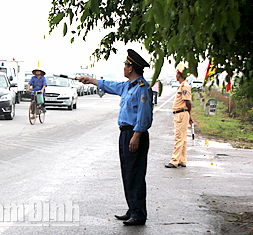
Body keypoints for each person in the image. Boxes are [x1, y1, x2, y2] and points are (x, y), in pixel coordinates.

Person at [78, 49, 153, 226]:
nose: (124, 67)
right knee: (127, 173)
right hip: (125, 133)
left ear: (131, 68)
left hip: (135, 134)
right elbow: (109, 85)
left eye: (126, 64)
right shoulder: (128, 86)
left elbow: (144, 115)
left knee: (135, 173)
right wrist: (90, 80)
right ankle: (132, 208)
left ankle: (139, 213)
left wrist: (136, 136)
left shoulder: (142, 88)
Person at [165, 64, 193, 168]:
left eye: (177, 73)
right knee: (183, 138)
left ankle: (174, 160)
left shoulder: (185, 86)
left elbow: (188, 102)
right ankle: (182, 160)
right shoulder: (182, 86)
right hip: (181, 113)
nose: (176, 75)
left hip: (181, 113)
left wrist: (189, 114)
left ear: (179, 75)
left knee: (179, 137)